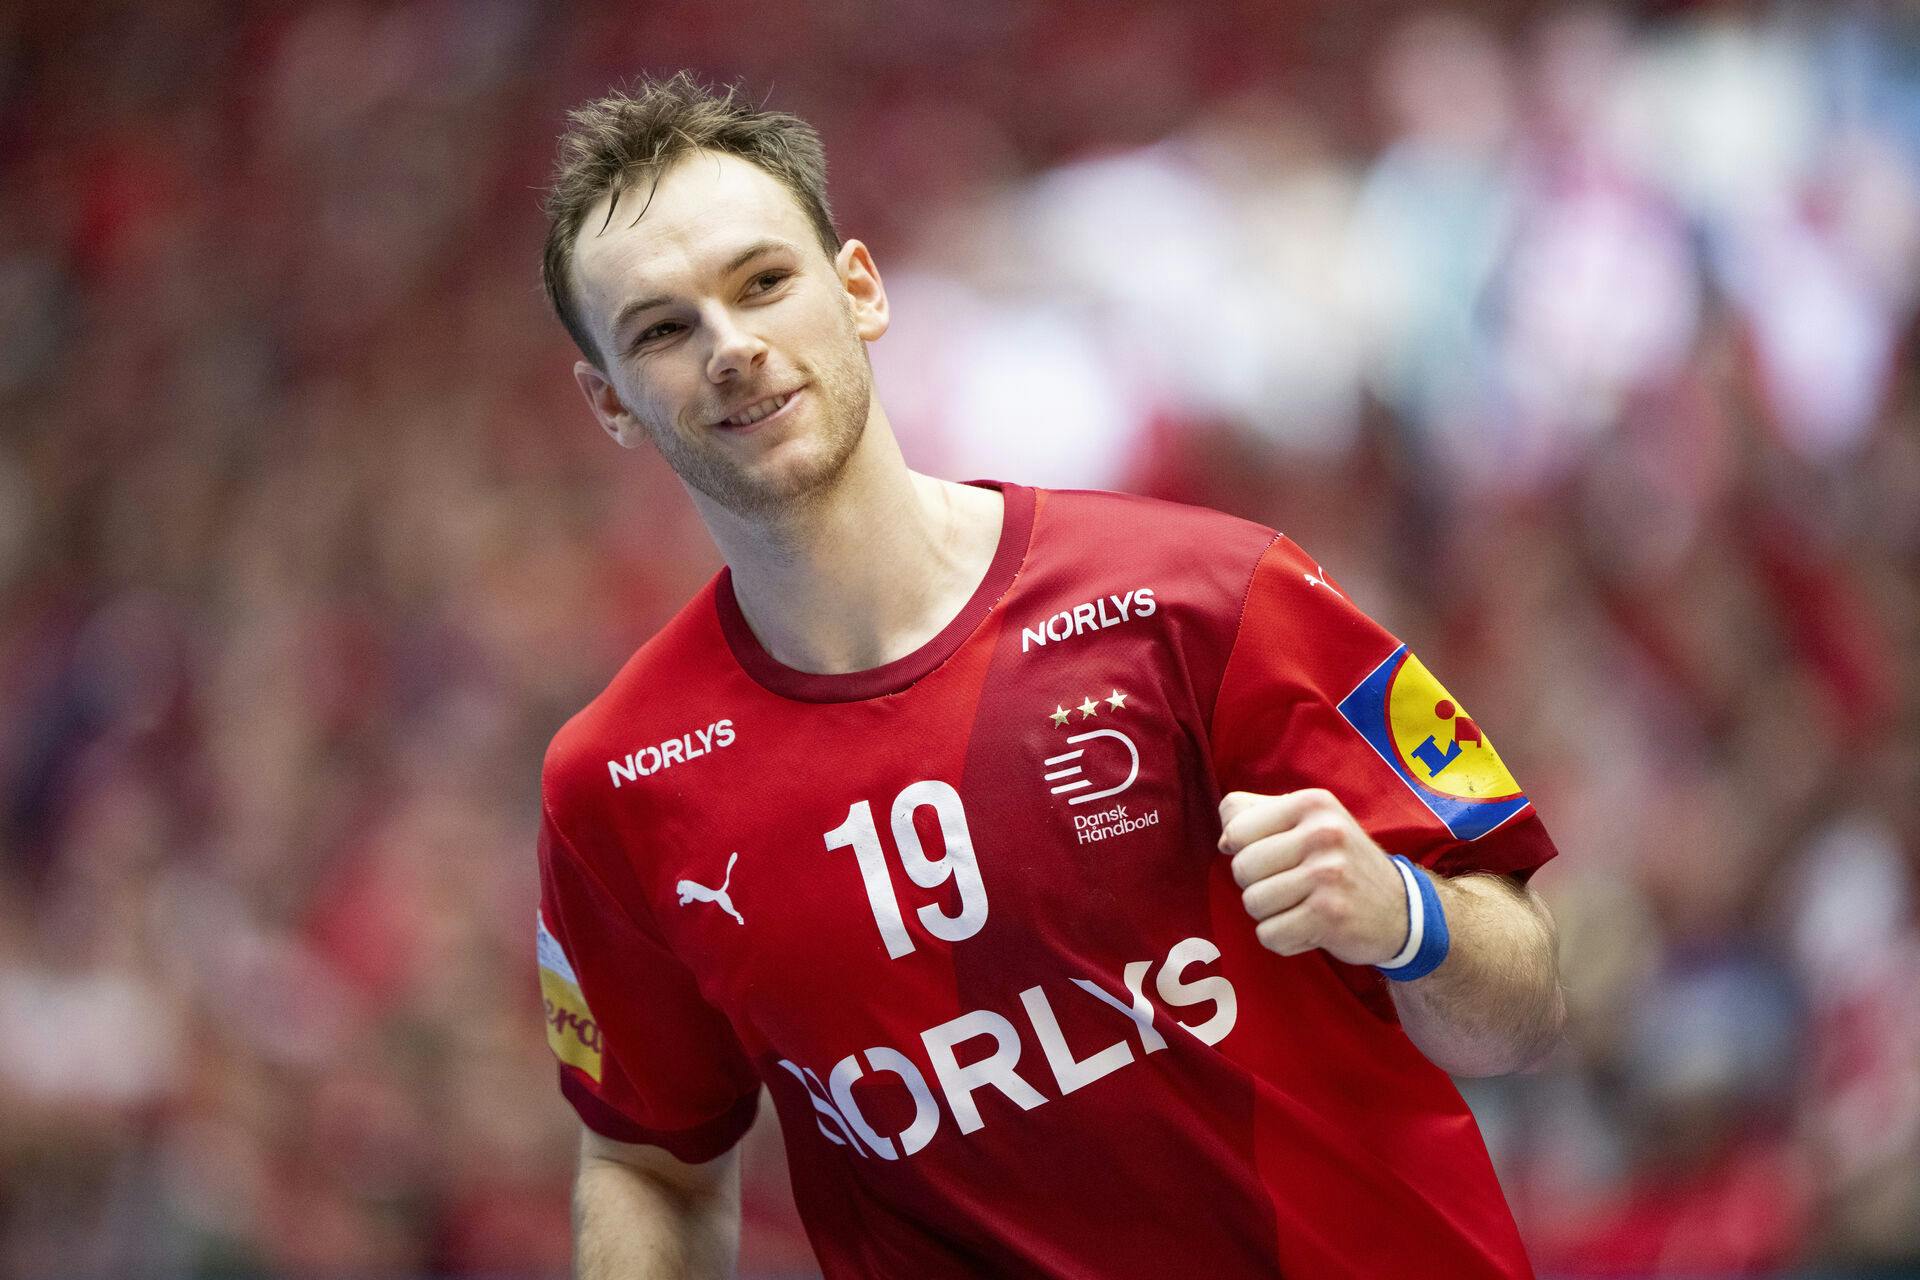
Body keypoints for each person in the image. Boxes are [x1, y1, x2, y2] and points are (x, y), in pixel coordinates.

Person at [533, 72, 1565, 1280]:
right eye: (662, 328)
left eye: (764, 282)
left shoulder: (1209, 595)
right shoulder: (615, 786)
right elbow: (647, 1159)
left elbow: (1528, 999)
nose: (732, 348)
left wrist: (1405, 914)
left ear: (860, 288)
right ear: (608, 401)